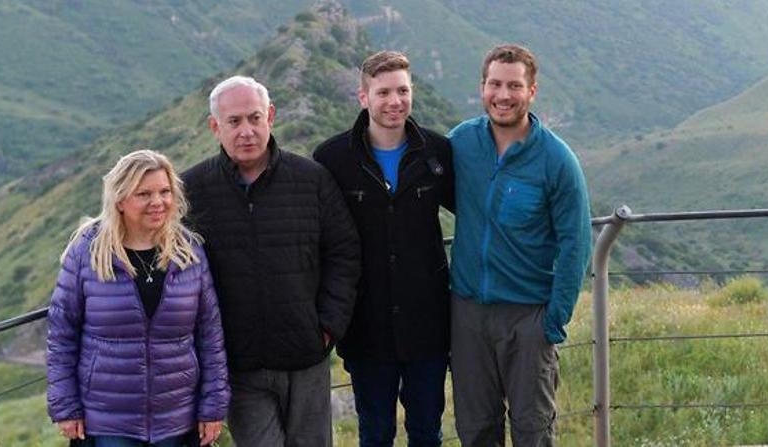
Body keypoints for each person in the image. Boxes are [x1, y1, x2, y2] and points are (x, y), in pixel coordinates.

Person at [181, 76, 361, 447]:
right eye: (234, 122)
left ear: (271, 117)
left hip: (307, 354)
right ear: (215, 127)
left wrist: (328, 325)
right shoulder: (192, 189)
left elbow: (343, 252)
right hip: (239, 362)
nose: (246, 131)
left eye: (254, 118)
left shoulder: (311, 180)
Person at [448, 44, 592, 446]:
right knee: (475, 430)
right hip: (468, 314)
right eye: (495, 84)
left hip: (529, 317)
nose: (503, 95)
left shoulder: (557, 160)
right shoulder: (461, 143)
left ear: (532, 92)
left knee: (533, 430)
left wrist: (552, 321)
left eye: (514, 85)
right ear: (482, 88)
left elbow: (575, 243)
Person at [313, 51, 454, 447]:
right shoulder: (332, 158)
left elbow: (475, 215)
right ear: (363, 97)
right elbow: (320, 239)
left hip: (428, 323)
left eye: (403, 91)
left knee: (427, 431)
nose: (395, 101)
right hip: (365, 325)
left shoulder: (438, 153)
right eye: (384, 92)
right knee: (375, 433)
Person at [46, 150, 230, 447]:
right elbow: (61, 335)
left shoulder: (190, 252)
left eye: (164, 192)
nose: (157, 202)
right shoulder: (88, 252)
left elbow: (210, 336)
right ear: (120, 200)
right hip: (107, 421)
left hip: (177, 418)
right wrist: (65, 406)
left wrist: (213, 406)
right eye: (144, 194)